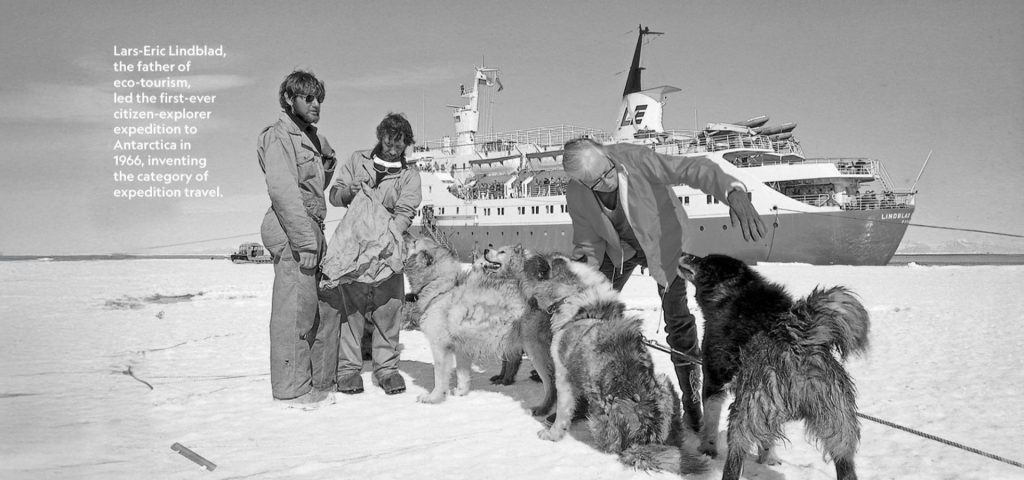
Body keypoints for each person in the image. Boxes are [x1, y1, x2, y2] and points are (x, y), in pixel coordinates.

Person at [560, 138, 765, 430]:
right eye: (597, 181)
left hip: (664, 245)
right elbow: (587, 242)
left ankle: (692, 401)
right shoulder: (578, 193)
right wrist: (581, 284)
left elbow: (694, 168)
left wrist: (733, 192)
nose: (608, 181)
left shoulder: (636, 159)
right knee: (590, 316)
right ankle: (586, 392)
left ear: (607, 156)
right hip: (621, 251)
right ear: (582, 182)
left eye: (608, 171)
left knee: (678, 320)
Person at [323, 113, 422, 395]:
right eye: (389, 141)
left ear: (406, 143)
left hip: (388, 247)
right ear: (381, 137)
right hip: (354, 246)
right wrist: (347, 193)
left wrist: (385, 238)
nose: (393, 148)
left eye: (399, 143)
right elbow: (335, 195)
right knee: (351, 310)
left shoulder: (410, 176)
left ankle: (387, 370)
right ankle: (348, 370)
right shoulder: (358, 160)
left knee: (388, 308)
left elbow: (405, 212)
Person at [257, 70, 337, 407]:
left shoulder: (308, 138)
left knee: (319, 311)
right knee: (295, 315)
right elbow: (284, 191)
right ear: (290, 100)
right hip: (294, 231)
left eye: (319, 99)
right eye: (308, 98)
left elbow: (322, 174)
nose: (316, 104)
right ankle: (291, 392)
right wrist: (305, 242)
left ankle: (314, 382)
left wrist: (323, 153)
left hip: (310, 227)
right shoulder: (279, 137)